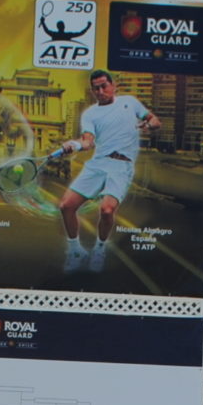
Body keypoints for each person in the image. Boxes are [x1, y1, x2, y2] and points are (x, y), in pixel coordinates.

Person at [55, 68, 156, 274]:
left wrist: (150, 124)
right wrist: (73, 145)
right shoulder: (90, 114)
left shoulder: (130, 102)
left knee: (107, 210)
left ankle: (99, 249)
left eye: (104, 86)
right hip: (98, 164)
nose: (100, 91)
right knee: (66, 206)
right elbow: (88, 141)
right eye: (96, 89)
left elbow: (153, 119)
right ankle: (75, 251)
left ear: (113, 86)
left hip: (122, 166)